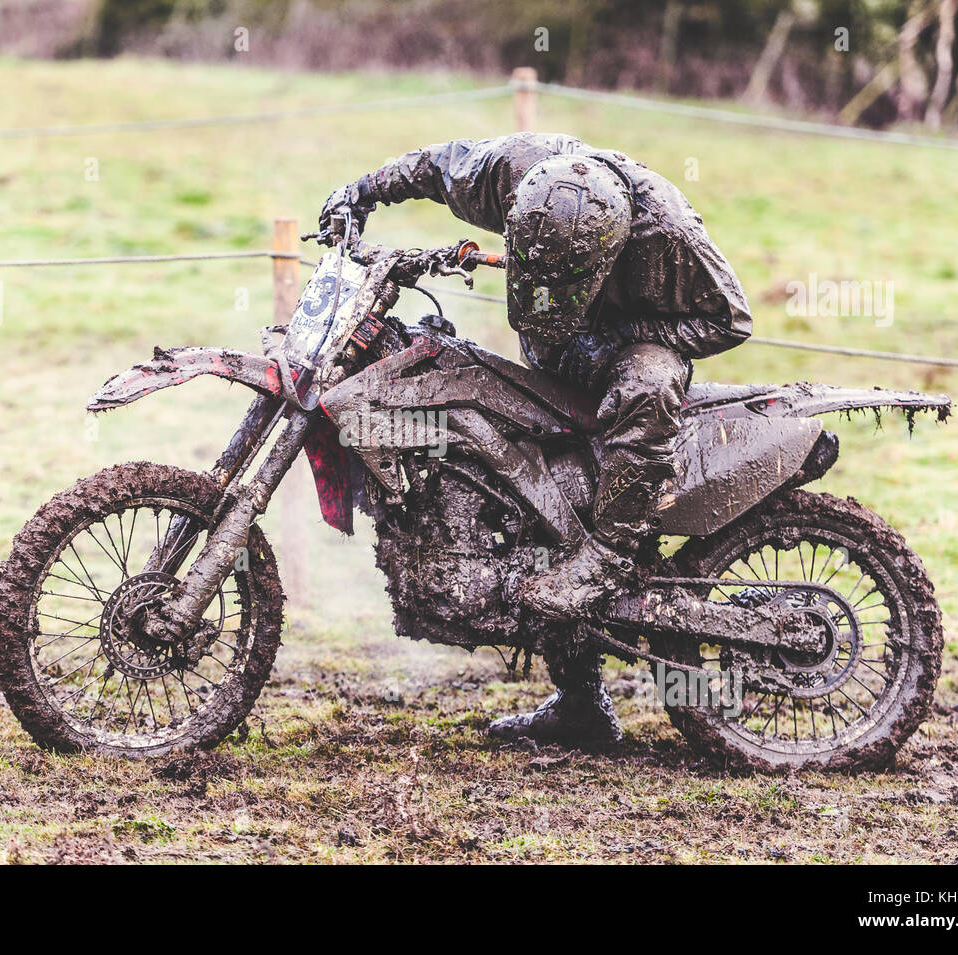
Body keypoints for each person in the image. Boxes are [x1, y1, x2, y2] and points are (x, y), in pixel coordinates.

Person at [318, 133, 752, 746]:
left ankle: (605, 554)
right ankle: (580, 706)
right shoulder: (515, 172)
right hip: (552, 334)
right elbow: (436, 166)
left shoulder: (667, 233)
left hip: (633, 346)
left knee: (646, 387)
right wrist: (360, 192)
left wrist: (619, 333)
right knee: (535, 485)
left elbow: (730, 319)